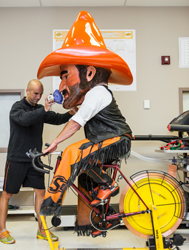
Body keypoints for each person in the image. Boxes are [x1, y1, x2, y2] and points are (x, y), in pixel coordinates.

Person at [37, 11, 133, 237]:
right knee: (84, 174)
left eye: (65, 76)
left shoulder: (98, 92)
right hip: (105, 139)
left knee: (73, 152)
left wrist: (54, 143)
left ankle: (103, 187)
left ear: (89, 72)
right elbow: (78, 112)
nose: (62, 83)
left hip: (117, 138)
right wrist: (60, 99)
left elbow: (75, 123)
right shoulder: (93, 95)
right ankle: (100, 221)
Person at [0, 79, 76, 244]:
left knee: (40, 193)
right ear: (27, 91)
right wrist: (44, 110)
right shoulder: (16, 108)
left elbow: (57, 119)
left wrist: (71, 113)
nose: (38, 97)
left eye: (40, 94)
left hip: (35, 158)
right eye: (35, 93)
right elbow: (25, 119)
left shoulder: (40, 109)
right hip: (17, 158)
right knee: (7, 194)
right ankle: (2, 231)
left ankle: (41, 230)